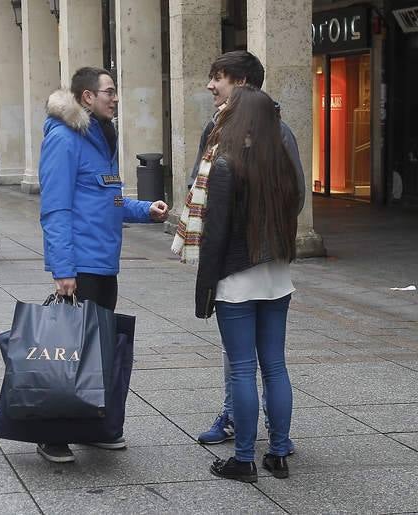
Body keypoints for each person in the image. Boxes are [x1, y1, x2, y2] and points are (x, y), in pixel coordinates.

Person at [36, 66, 169, 463]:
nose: (115, 98)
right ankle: (51, 434)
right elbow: (55, 208)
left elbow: (107, 198)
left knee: (97, 353)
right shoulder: (63, 138)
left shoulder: (100, 137)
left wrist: (147, 210)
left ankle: (92, 429)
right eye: (108, 91)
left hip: (105, 264)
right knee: (70, 355)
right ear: (86, 97)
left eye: (115, 91)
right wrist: (63, 270)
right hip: (81, 267)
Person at [193, 51, 304, 450]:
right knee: (274, 365)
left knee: (241, 366)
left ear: (241, 85)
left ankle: (242, 452)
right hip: (276, 270)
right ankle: (279, 445)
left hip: (237, 268)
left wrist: (207, 278)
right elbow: (296, 198)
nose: (211, 86)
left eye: (217, 77)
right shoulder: (279, 133)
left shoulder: (225, 140)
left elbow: (205, 207)